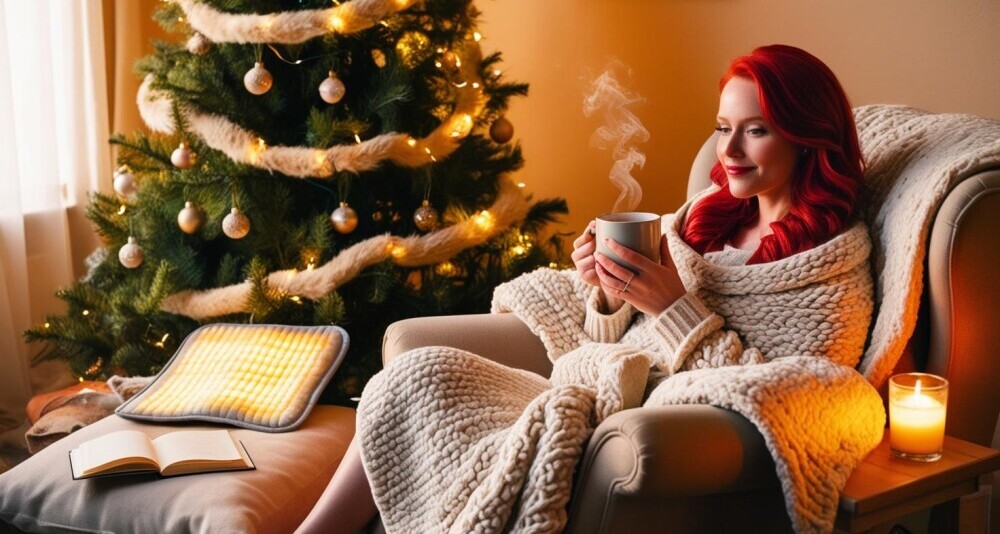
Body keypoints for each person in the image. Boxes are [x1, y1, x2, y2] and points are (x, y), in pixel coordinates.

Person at [296, 43, 868, 534]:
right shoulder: (702, 221)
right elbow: (622, 333)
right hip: (585, 386)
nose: (730, 151)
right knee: (413, 374)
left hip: (639, 421)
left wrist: (672, 306)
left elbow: (779, 395)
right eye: (723, 129)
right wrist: (608, 292)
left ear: (806, 138)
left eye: (756, 131)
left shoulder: (826, 276)